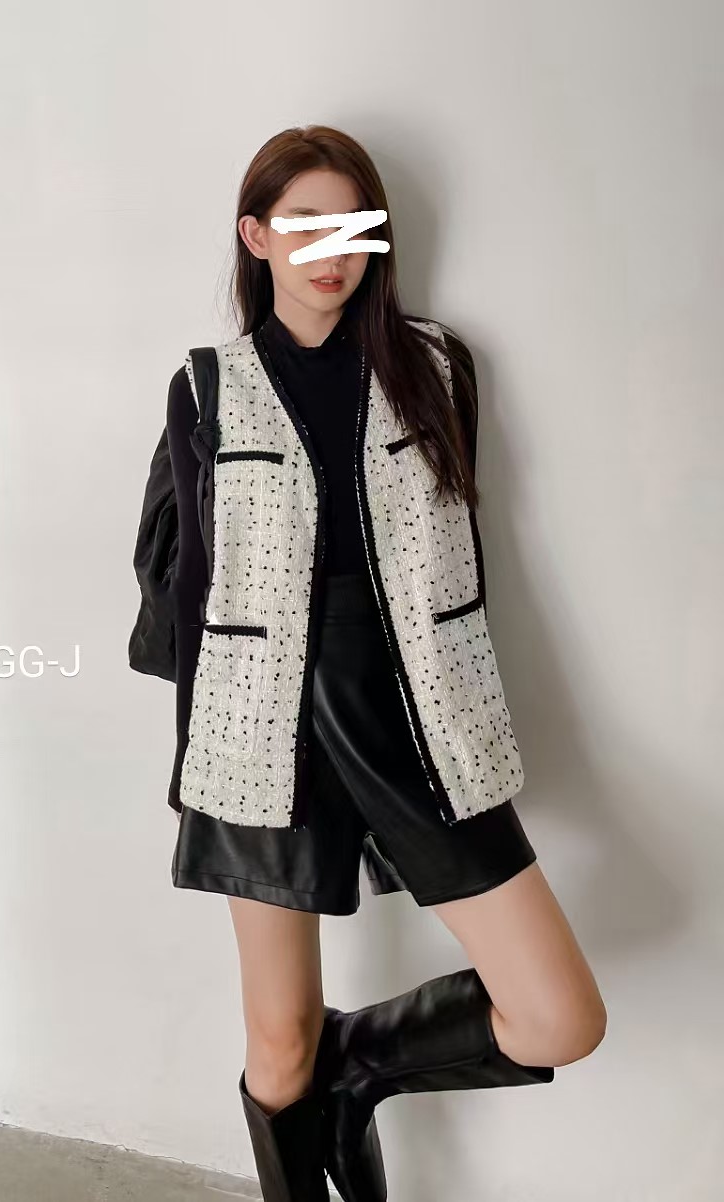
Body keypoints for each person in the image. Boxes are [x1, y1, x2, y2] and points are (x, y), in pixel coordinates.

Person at [160, 125, 607, 1201]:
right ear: (256, 236)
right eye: (304, 223)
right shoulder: (208, 387)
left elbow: (458, 554)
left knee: (559, 1016)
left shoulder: (435, 366)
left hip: (416, 712)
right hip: (259, 725)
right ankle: (317, 1090)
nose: (334, 249)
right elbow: (186, 595)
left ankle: (356, 1067)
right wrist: (197, 772)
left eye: (354, 225)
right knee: (278, 1054)